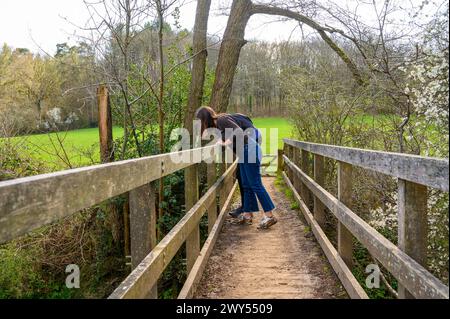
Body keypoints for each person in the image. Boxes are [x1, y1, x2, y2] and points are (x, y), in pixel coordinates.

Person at [195, 106, 277, 229]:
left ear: (205, 119)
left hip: (249, 149)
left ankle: (270, 216)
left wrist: (225, 142)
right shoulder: (218, 127)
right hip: (244, 152)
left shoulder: (221, 119)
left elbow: (238, 132)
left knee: (255, 184)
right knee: (245, 183)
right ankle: (247, 215)